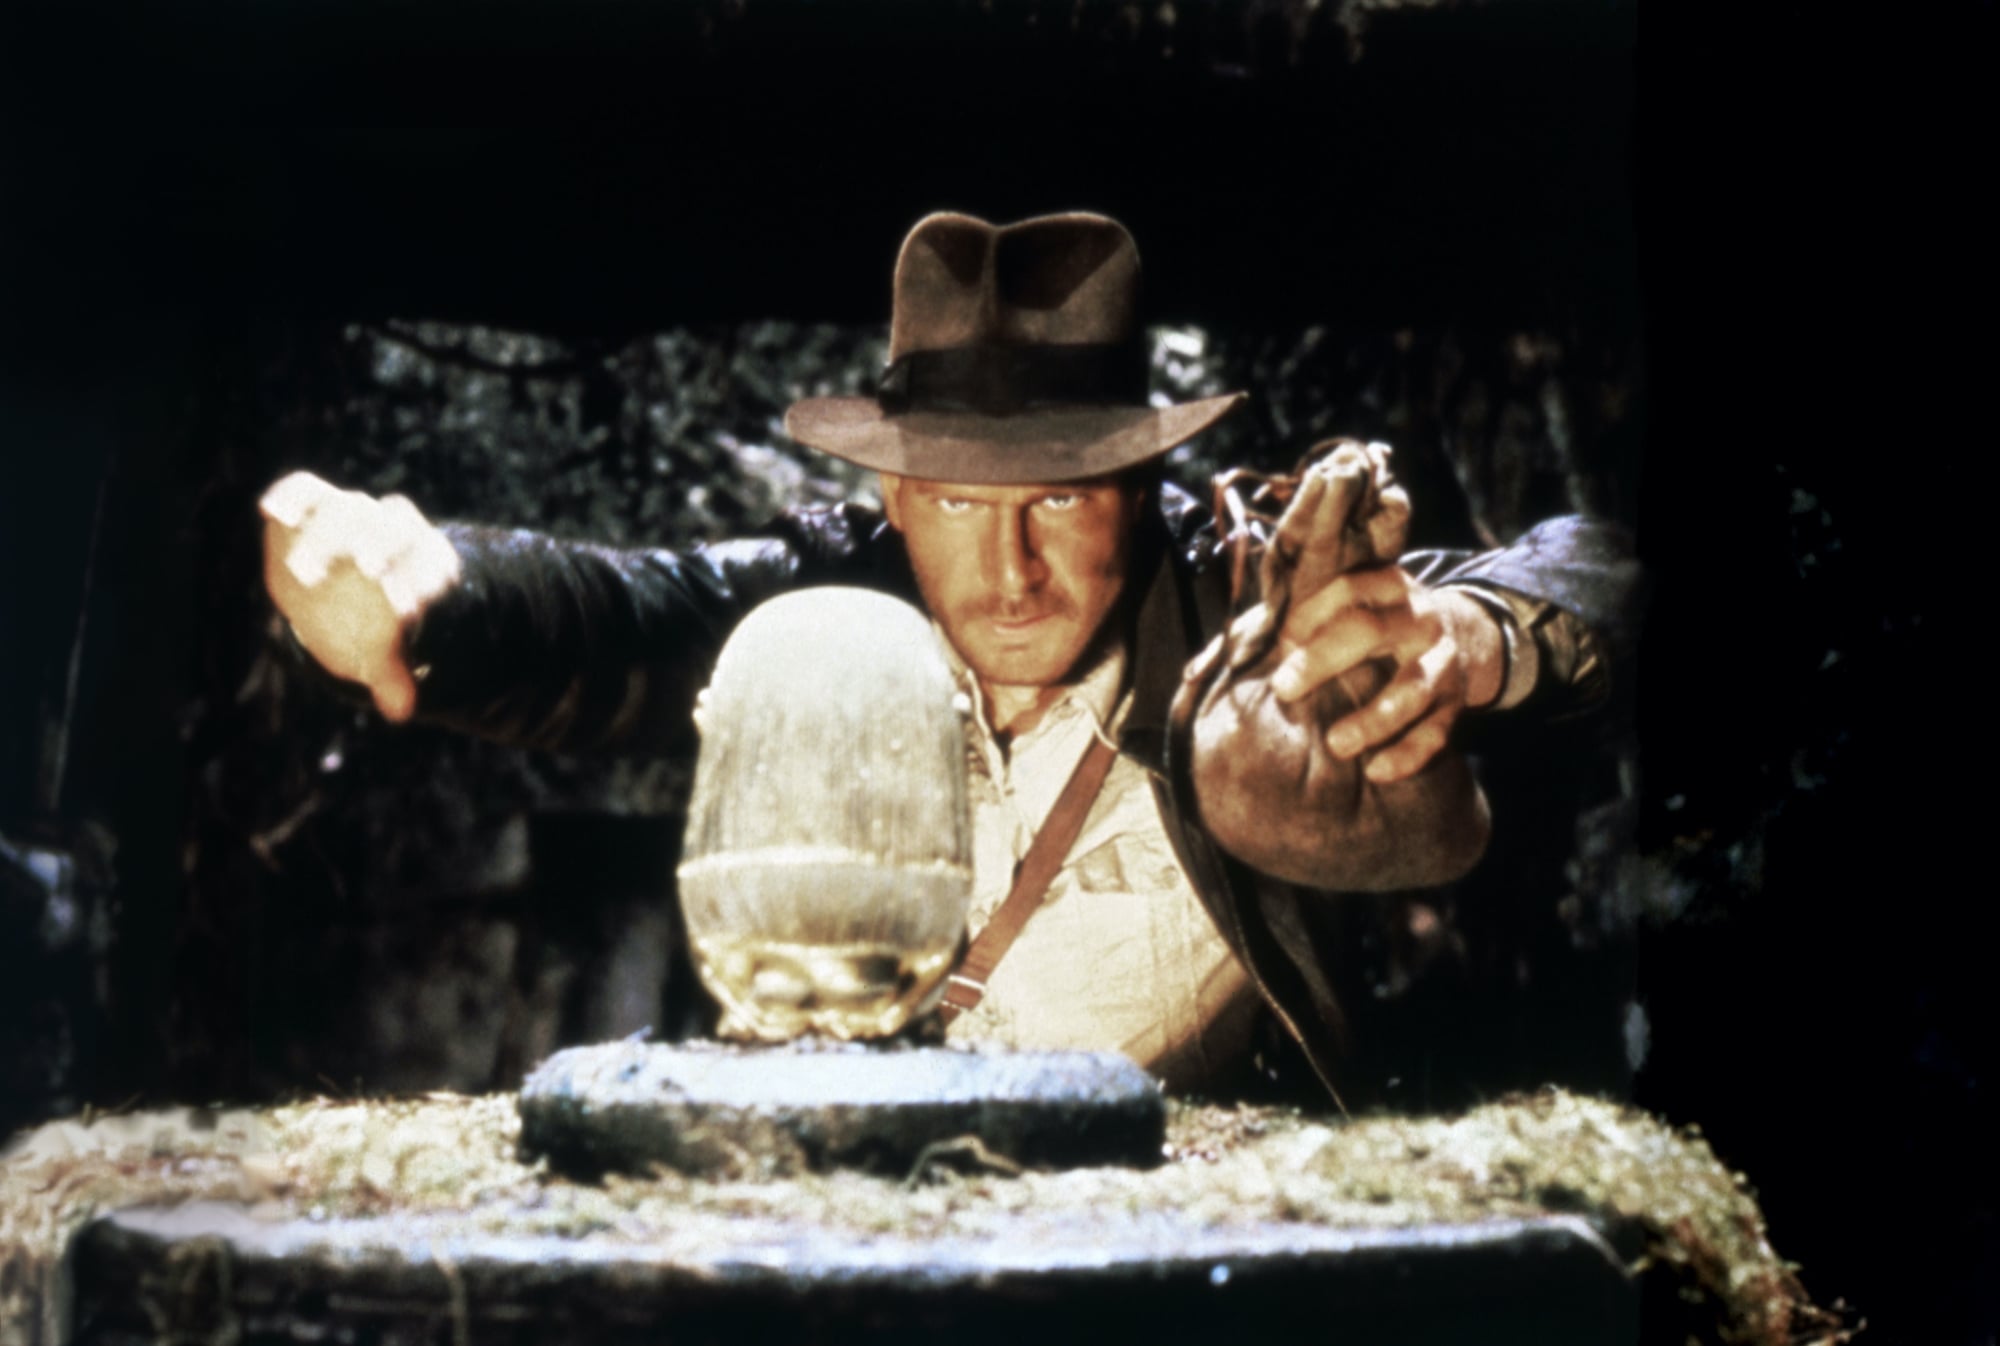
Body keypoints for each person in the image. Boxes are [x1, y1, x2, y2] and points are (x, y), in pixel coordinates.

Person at [262, 212, 1638, 1107]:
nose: (1010, 571)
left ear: (1138, 487)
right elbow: (623, 618)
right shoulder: (832, 605)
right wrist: (432, 591)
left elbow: (1607, 569)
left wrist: (1475, 641)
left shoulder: (1255, 604)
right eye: (962, 506)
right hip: (885, 1236)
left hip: (1201, 1247)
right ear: (897, 497)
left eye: (1059, 500)